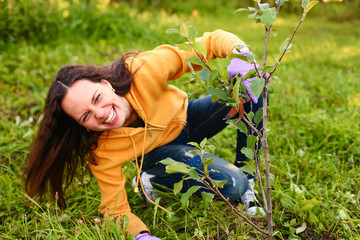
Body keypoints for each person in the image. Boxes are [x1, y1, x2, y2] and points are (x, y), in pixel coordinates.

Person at [23, 29, 265, 239]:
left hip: (187, 117)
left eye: (97, 98)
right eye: (85, 116)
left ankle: (249, 174)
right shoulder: (102, 152)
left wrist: (241, 53)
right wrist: (141, 235)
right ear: (83, 126)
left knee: (252, 87)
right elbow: (115, 211)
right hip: (160, 153)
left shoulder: (142, 70)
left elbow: (210, 42)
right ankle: (149, 179)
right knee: (233, 185)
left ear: (105, 84)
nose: (100, 113)